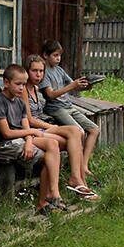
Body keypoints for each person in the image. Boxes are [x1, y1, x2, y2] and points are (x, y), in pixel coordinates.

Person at [0, 63, 66, 215]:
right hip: (5, 146)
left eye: (24, 84)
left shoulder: (19, 102)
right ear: (6, 82)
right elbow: (6, 133)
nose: (21, 88)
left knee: (52, 146)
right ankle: (48, 198)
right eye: (18, 84)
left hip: (21, 141)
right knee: (49, 158)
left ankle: (48, 198)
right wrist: (31, 132)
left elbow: (25, 129)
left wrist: (29, 142)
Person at [23, 54, 99, 201]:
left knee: (76, 132)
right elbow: (30, 119)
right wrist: (51, 126)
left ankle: (79, 179)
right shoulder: (24, 90)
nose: (38, 74)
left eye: (41, 71)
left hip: (43, 127)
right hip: (33, 130)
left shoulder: (37, 89)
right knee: (72, 135)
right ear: (27, 71)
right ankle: (77, 181)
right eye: (34, 71)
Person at [39, 40, 101, 185]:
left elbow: (73, 85)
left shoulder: (59, 70)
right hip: (56, 108)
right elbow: (51, 95)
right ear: (45, 56)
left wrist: (85, 86)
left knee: (94, 129)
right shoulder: (44, 73)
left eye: (60, 55)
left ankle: (84, 165)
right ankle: (76, 172)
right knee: (79, 132)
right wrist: (72, 86)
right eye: (55, 55)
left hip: (69, 106)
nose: (58, 58)